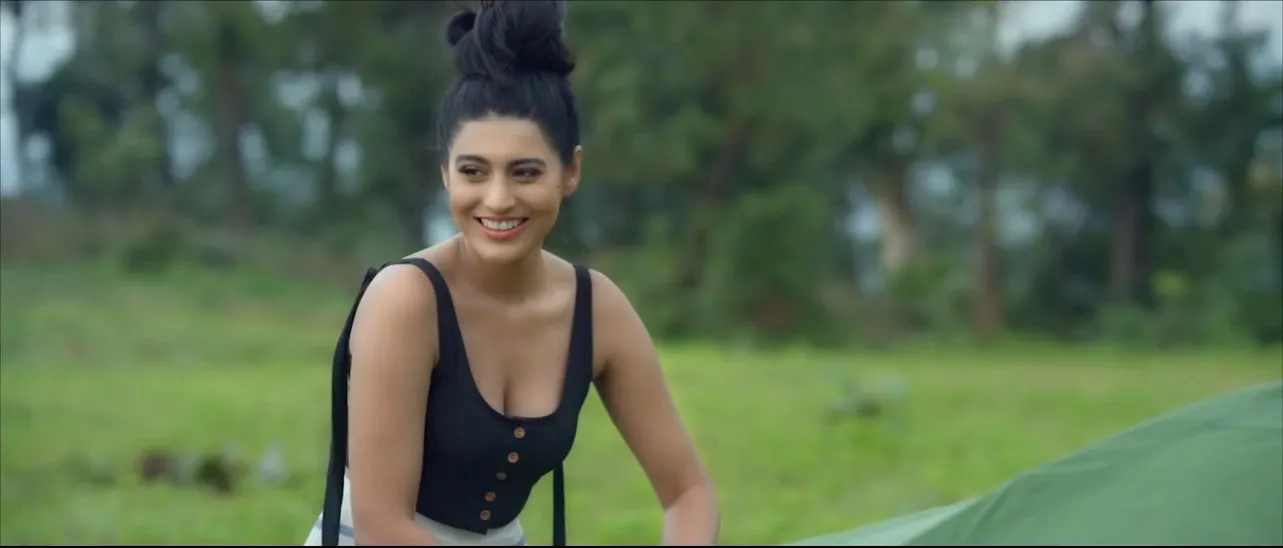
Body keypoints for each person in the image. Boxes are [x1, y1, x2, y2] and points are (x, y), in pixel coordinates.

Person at [303, 1, 720, 546]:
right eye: (473, 171)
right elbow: (384, 528)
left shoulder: (597, 309)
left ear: (570, 171)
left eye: (525, 173)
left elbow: (689, 492)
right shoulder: (406, 299)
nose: (498, 199)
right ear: (446, 174)